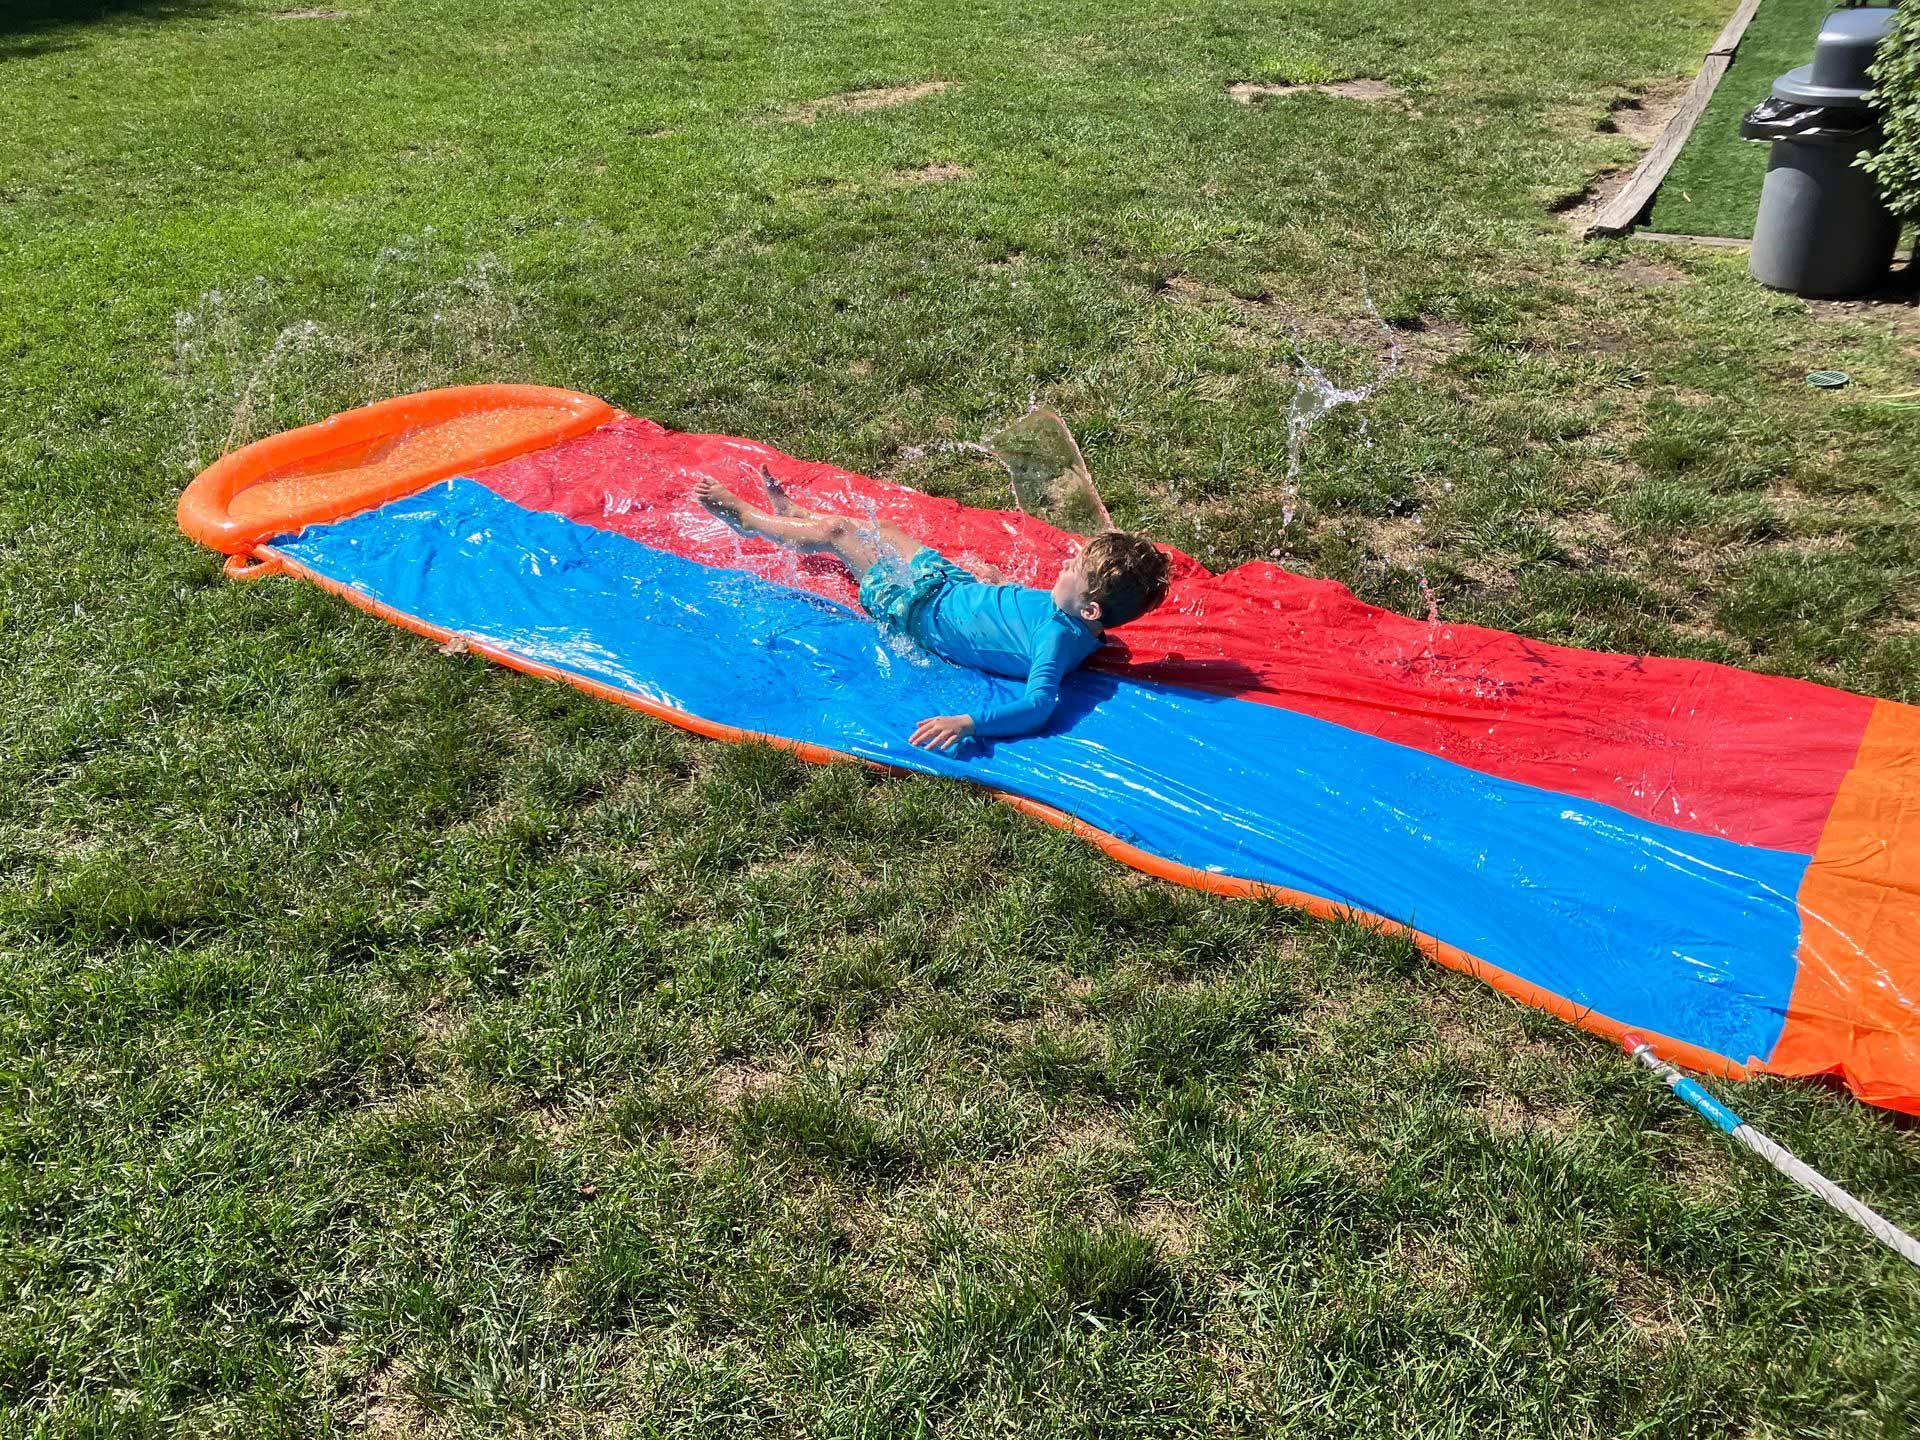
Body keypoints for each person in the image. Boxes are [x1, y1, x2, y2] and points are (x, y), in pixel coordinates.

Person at [695, 468, 1170, 750]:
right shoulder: (1070, 616)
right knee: (892, 534)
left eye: (1074, 569)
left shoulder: (1057, 639)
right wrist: (997, 584)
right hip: (950, 585)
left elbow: (1039, 706)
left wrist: (969, 723)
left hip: (920, 609)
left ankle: (748, 520)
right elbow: (1023, 616)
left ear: (1089, 610)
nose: (1064, 566)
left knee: (841, 534)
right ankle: (797, 518)